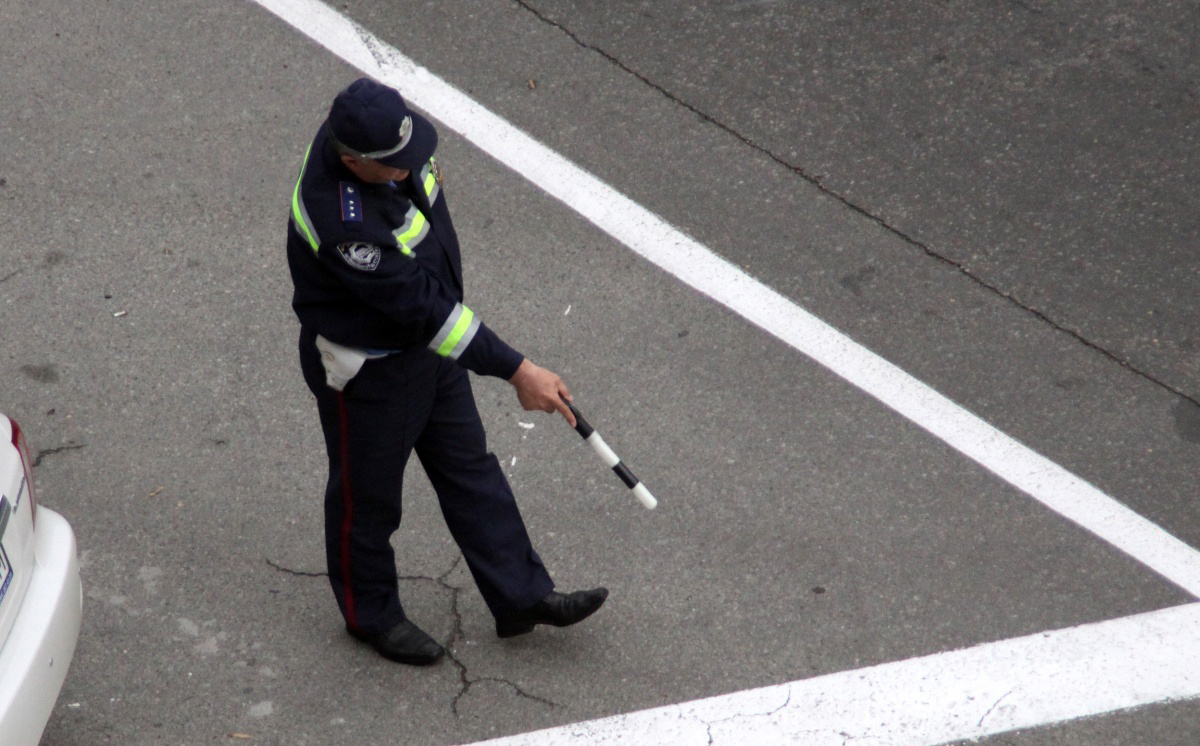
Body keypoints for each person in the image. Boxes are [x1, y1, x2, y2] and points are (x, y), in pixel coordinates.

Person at [285, 77, 608, 666]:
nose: (410, 170)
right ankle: (370, 615)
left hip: (426, 353)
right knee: (368, 500)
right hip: (370, 375)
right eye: (393, 167)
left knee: (471, 471)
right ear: (352, 159)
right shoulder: (343, 222)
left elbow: (430, 246)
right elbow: (426, 312)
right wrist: (517, 370)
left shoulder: (384, 144)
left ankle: (520, 596)